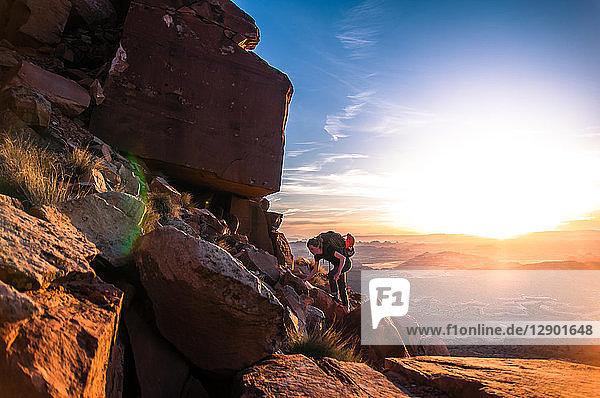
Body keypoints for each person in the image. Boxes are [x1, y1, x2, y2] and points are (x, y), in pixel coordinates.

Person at [305, 233, 352, 312]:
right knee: (341, 285)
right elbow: (315, 270)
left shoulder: (328, 248)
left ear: (317, 246)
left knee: (332, 275)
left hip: (345, 263)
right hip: (338, 265)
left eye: (312, 249)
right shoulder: (317, 255)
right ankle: (346, 308)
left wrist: (338, 272)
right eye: (310, 250)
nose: (311, 251)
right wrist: (306, 279)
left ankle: (335, 297)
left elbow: (342, 258)